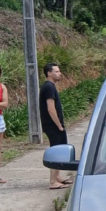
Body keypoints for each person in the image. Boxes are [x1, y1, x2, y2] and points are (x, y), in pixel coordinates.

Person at [40, 62, 72, 190]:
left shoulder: (50, 86)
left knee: (59, 150)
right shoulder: (48, 87)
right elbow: (51, 109)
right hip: (52, 125)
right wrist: (59, 125)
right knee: (56, 151)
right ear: (49, 73)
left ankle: (57, 176)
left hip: (54, 125)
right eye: (57, 71)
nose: (60, 74)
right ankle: (53, 181)